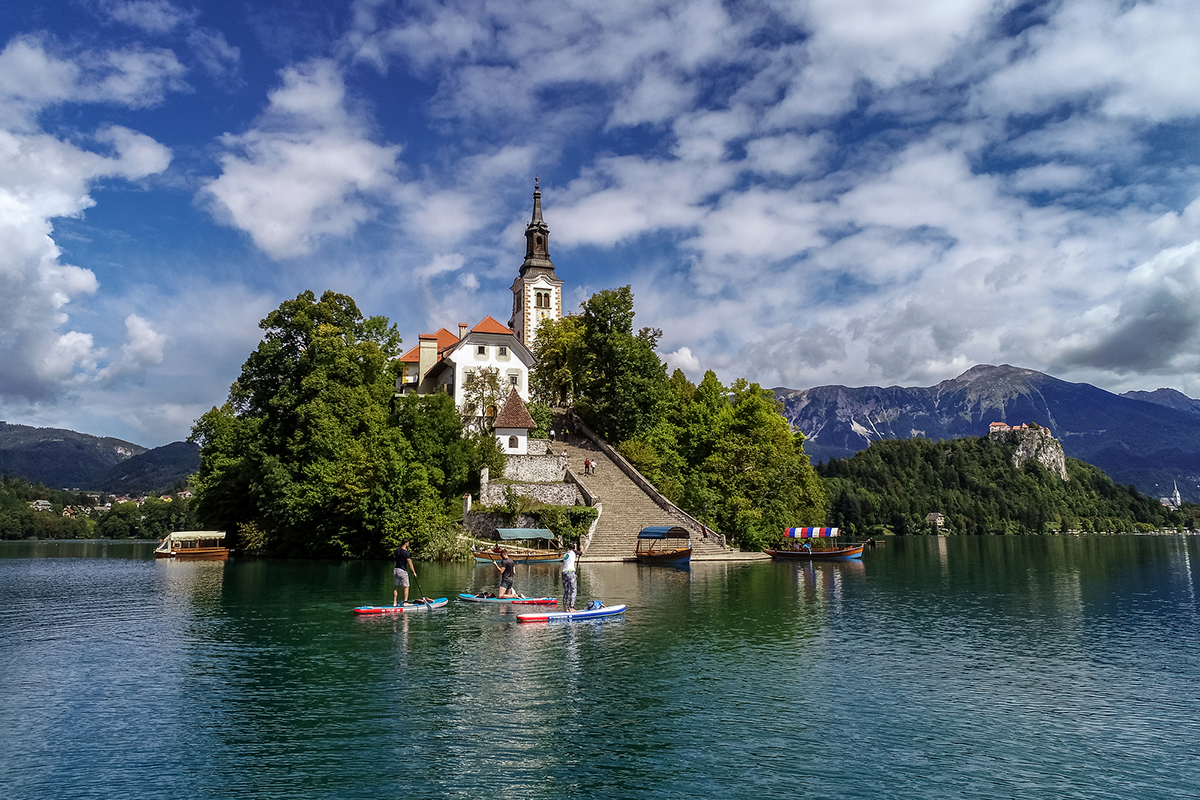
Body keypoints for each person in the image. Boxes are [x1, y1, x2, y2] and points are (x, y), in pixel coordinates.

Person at [393, 539, 415, 606]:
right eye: (408, 543)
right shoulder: (406, 553)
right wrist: (414, 572)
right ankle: (405, 602)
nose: (408, 544)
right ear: (405, 543)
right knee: (406, 586)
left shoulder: (397, 551)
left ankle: (394, 602)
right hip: (402, 571)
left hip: (396, 570)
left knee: (396, 587)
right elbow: (410, 564)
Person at [561, 545, 579, 612]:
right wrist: (582, 549)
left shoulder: (565, 554)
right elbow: (580, 553)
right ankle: (571, 607)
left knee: (566, 590)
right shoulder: (573, 552)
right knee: (573, 590)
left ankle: (564, 608)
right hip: (570, 572)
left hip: (564, 572)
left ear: (568, 548)